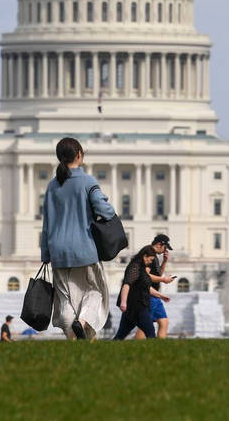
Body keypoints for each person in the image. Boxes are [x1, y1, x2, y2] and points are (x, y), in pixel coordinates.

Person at [41, 137, 117, 340]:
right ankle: (82, 323)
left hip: (58, 250)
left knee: (65, 298)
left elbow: (46, 224)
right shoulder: (87, 181)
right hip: (84, 248)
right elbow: (105, 211)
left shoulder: (52, 186)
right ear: (79, 155)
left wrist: (45, 253)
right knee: (95, 292)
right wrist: (108, 208)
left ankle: (72, 337)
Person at [114, 246, 171, 340]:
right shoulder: (134, 267)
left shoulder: (142, 268)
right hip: (137, 306)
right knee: (150, 333)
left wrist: (161, 296)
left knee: (120, 336)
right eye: (151, 259)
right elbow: (126, 284)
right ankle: (152, 353)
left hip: (133, 307)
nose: (151, 262)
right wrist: (123, 302)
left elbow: (146, 287)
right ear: (144, 256)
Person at [135, 234, 175, 340]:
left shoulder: (155, 257)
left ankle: (159, 347)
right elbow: (145, 275)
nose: (165, 250)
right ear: (159, 245)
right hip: (147, 294)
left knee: (164, 322)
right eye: (165, 248)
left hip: (154, 295)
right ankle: (135, 345)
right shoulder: (148, 254)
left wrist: (165, 261)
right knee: (146, 325)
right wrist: (163, 280)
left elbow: (158, 274)